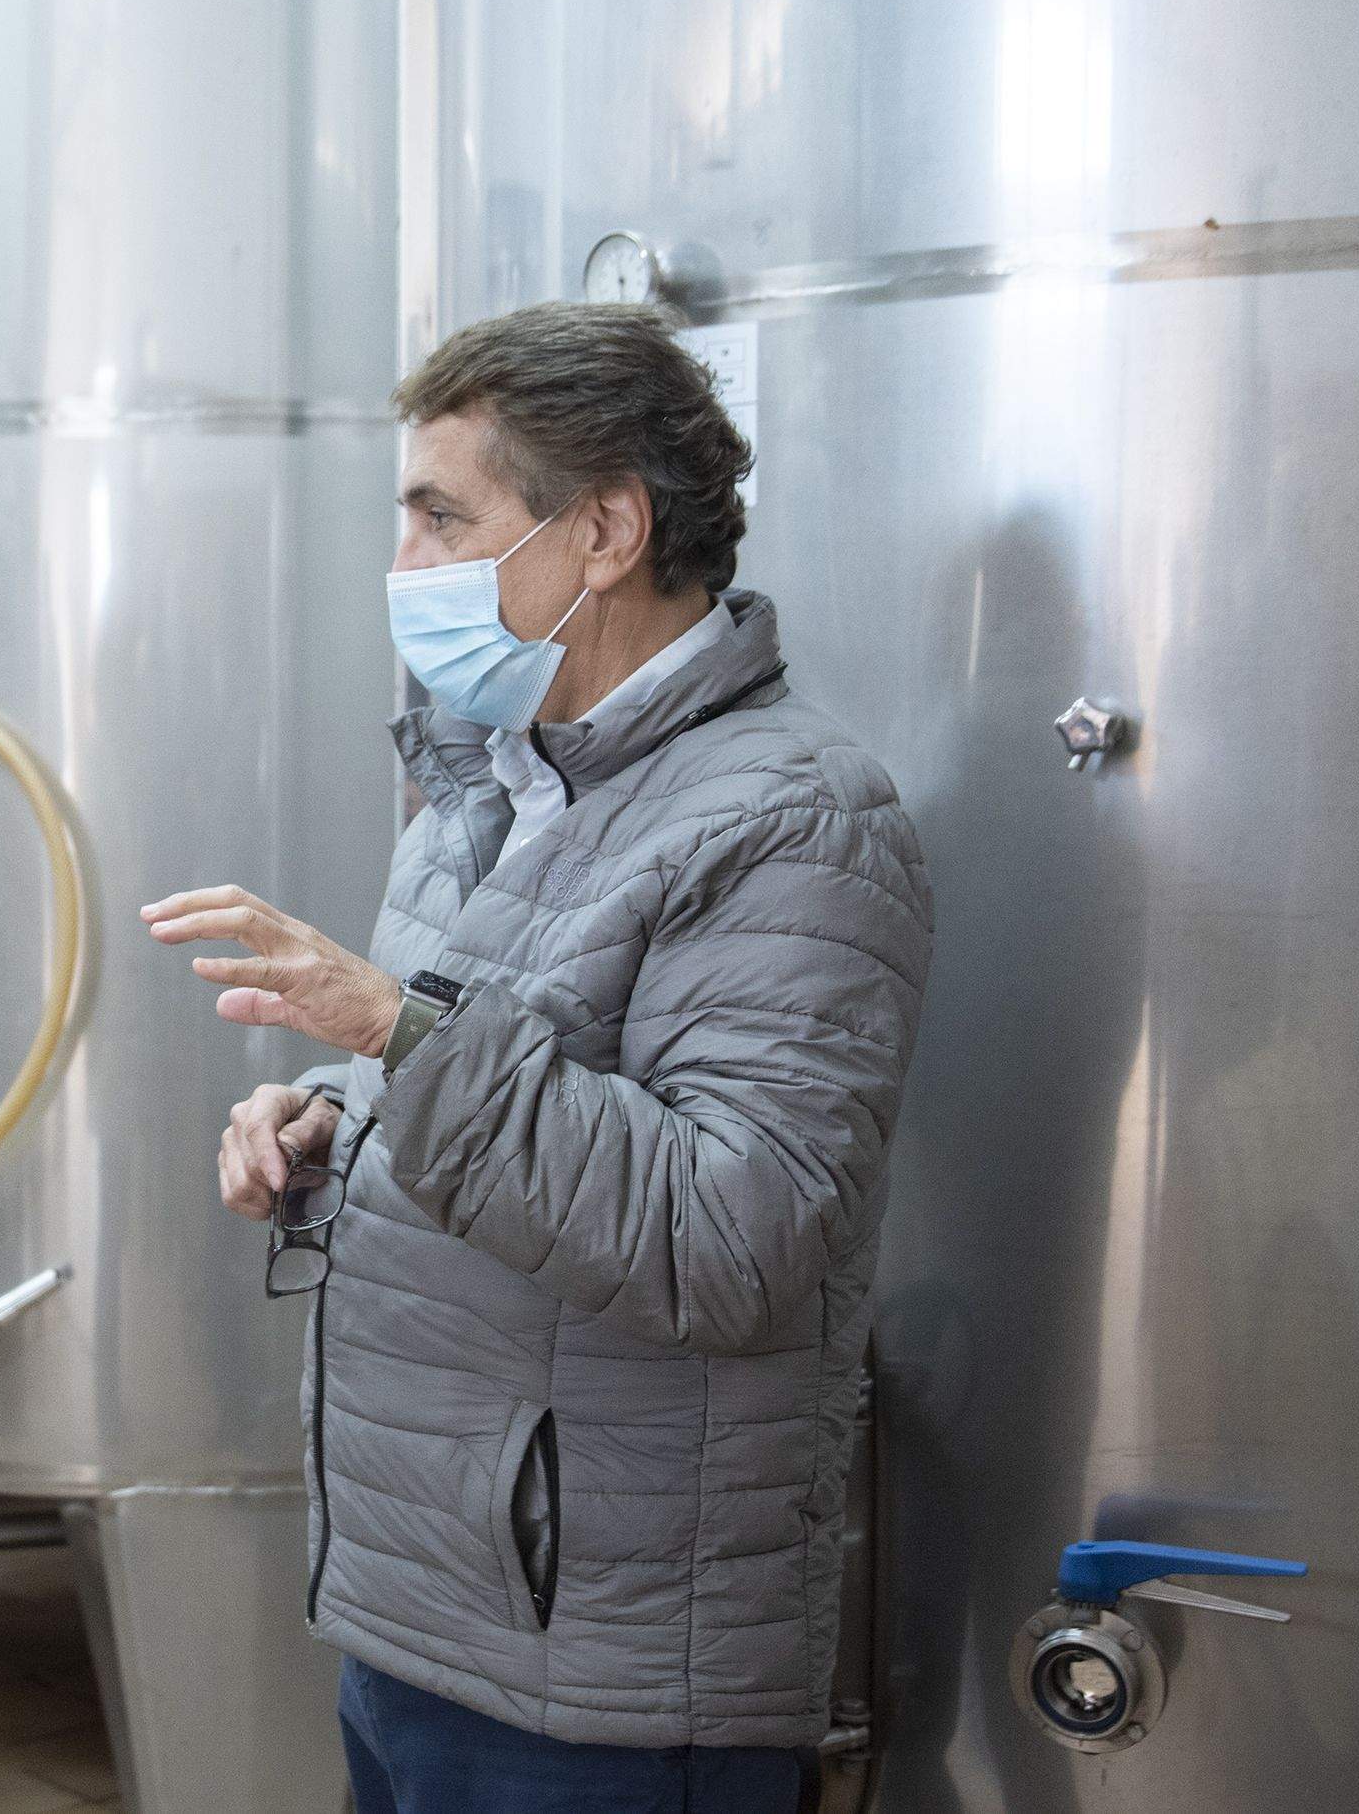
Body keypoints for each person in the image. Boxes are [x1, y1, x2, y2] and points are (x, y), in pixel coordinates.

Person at [145, 302, 933, 1814]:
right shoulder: (487, 783)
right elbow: (483, 1100)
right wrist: (327, 1120)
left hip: (607, 1691)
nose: (406, 569)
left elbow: (728, 1237)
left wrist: (389, 1029)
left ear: (608, 532)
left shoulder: (796, 820)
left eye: (445, 518)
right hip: (418, 1616)